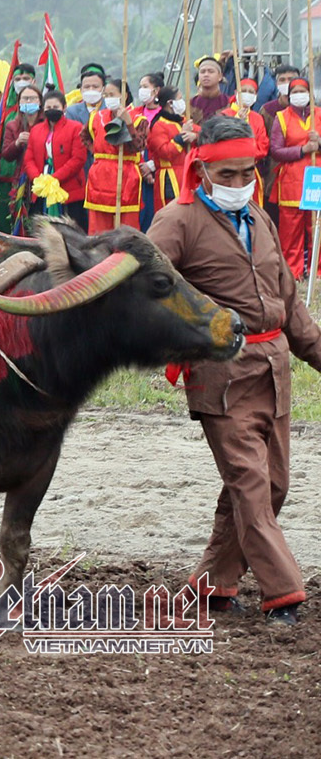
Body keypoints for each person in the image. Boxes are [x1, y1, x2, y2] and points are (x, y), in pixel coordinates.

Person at [147, 115, 321, 624]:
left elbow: (290, 302)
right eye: (227, 175)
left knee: (272, 487)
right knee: (250, 485)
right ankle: (284, 593)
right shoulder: (175, 222)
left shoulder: (261, 219)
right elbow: (147, 289)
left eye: (247, 173)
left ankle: (213, 586)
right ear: (201, 169)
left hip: (275, 373)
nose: (239, 184)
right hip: (220, 375)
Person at [265, 77, 319, 278]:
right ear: (288, 95)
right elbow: (276, 151)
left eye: (302, 91)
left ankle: (318, 271)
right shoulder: (281, 117)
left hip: (316, 178)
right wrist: (303, 149)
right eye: (294, 92)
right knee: (291, 230)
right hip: (291, 181)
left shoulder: (319, 115)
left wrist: (319, 144)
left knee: (316, 226)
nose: (299, 95)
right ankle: (293, 272)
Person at [22, 89, 87, 227]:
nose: (52, 110)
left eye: (56, 107)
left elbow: (78, 159)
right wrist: (39, 179)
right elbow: (29, 158)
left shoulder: (75, 128)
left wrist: (55, 178)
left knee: (72, 228)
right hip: (42, 186)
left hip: (69, 188)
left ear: (64, 108)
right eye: (48, 107)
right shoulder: (36, 129)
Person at [84, 83, 144, 234]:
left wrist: (128, 123)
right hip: (100, 174)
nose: (108, 99)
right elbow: (84, 136)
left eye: (112, 95)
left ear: (123, 95)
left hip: (126, 174)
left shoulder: (138, 118)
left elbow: (139, 146)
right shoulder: (97, 116)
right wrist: (97, 152)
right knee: (99, 227)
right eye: (106, 95)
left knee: (126, 226)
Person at [0, 86, 42, 230]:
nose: (29, 101)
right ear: (19, 102)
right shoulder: (13, 125)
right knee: (20, 217)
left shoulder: (45, 124)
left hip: (42, 177)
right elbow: (6, 155)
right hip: (21, 178)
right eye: (25, 99)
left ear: (40, 102)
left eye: (33, 98)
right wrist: (17, 143)